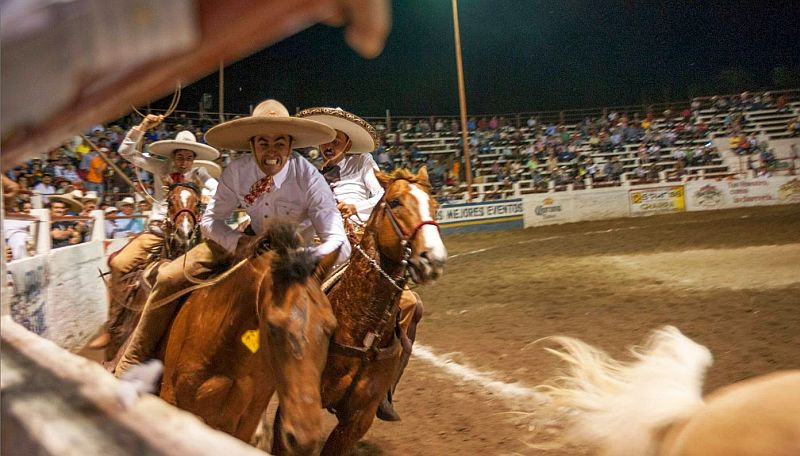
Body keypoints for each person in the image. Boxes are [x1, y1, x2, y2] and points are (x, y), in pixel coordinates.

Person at [114, 99, 349, 376]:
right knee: (167, 278)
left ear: (291, 145)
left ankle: (322, 379)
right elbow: (211, 221)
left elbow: (337, 240)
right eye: (263, 142)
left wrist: (304, 259)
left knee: (324, 312)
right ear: (252, 145)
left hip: (295, 248)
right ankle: (133, 358)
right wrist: (239, 243)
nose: (271, 151)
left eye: (279, 143)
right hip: (247, 239)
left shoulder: (309, 178)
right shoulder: (238, 171)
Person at [296, 107, 424, 421]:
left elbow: (385, 196)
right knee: (294, 307)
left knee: (411, 306)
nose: (330, 143)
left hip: (363, 248)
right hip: (326, 249)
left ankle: (385, 389)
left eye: (336, 138)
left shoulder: (362, 163)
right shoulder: (311, 174)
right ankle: (290, 375)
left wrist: (356, 205)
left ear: (347, 141)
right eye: (325, 138)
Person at [89, 116, 221, 349]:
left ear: (194, 159)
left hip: (193, 232)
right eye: (180, 156)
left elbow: (215, 186)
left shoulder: (199, 172)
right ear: (173, 156)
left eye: (189, 157)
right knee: (119, 264)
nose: (184, 161)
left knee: (223, 265)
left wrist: (213, 196)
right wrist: (142, 128)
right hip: (158, 231)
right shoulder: (159, 166)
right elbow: (126, 152)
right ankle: (113, 326)